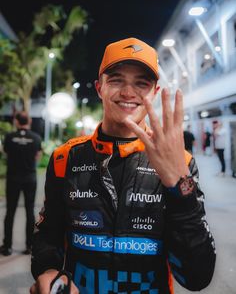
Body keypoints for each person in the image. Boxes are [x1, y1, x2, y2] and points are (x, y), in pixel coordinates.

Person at [30, 38, 216, 294]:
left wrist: (179, 185)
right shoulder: (66, 158)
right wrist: (48, 270)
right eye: (116, 80)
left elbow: (197, 276)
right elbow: (48, 235)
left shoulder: (180, 162)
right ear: (99, 88)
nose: (129, 92)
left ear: (155, 91)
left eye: (142, 83)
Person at [0, 111, 42, 256]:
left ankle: (7, 247)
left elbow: (5, 153)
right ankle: (29, 246)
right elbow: (38, 156)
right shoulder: (36, 138)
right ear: (29, 121)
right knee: (29, 211)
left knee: (10, 212)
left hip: (13, 178)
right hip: (29, 178)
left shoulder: (9, 137)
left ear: (16, 121)